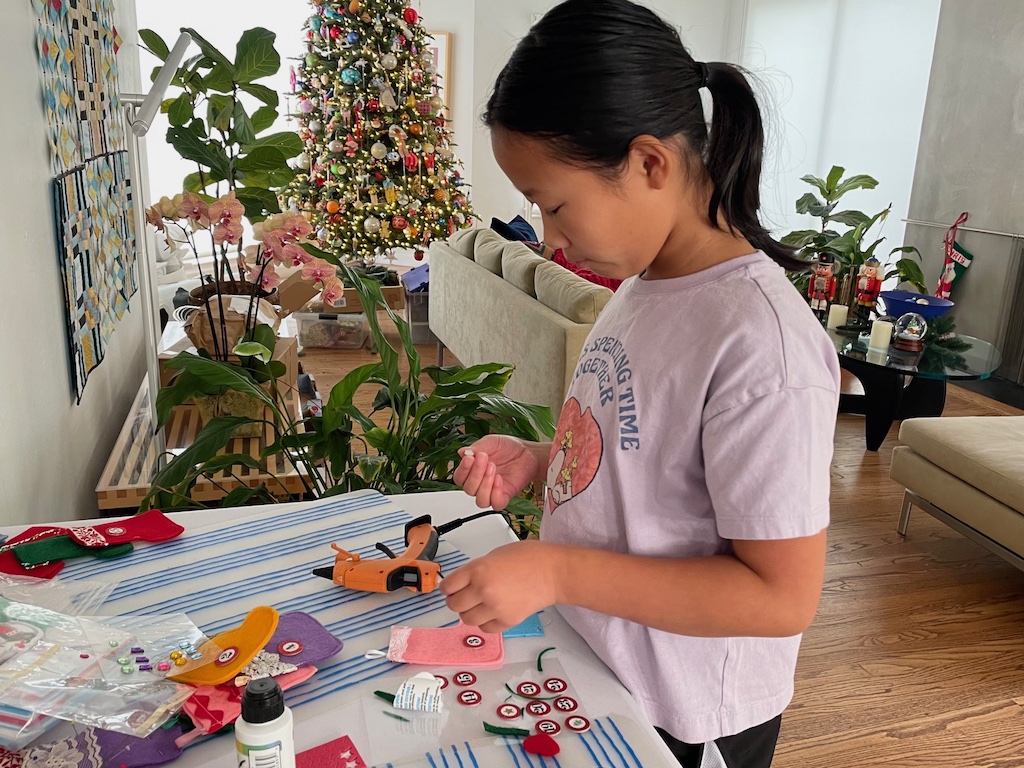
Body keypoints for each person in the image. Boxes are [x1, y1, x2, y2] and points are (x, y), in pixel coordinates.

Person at [438, 1, 841, 766]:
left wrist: (555, 569)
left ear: (649, 164)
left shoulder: (762, 344)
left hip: (688, 714)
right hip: (602, 665)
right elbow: (645, 458)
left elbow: (781, 596)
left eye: (554, 204)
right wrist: (542, 456)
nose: (549, 237)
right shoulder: (645, 283)